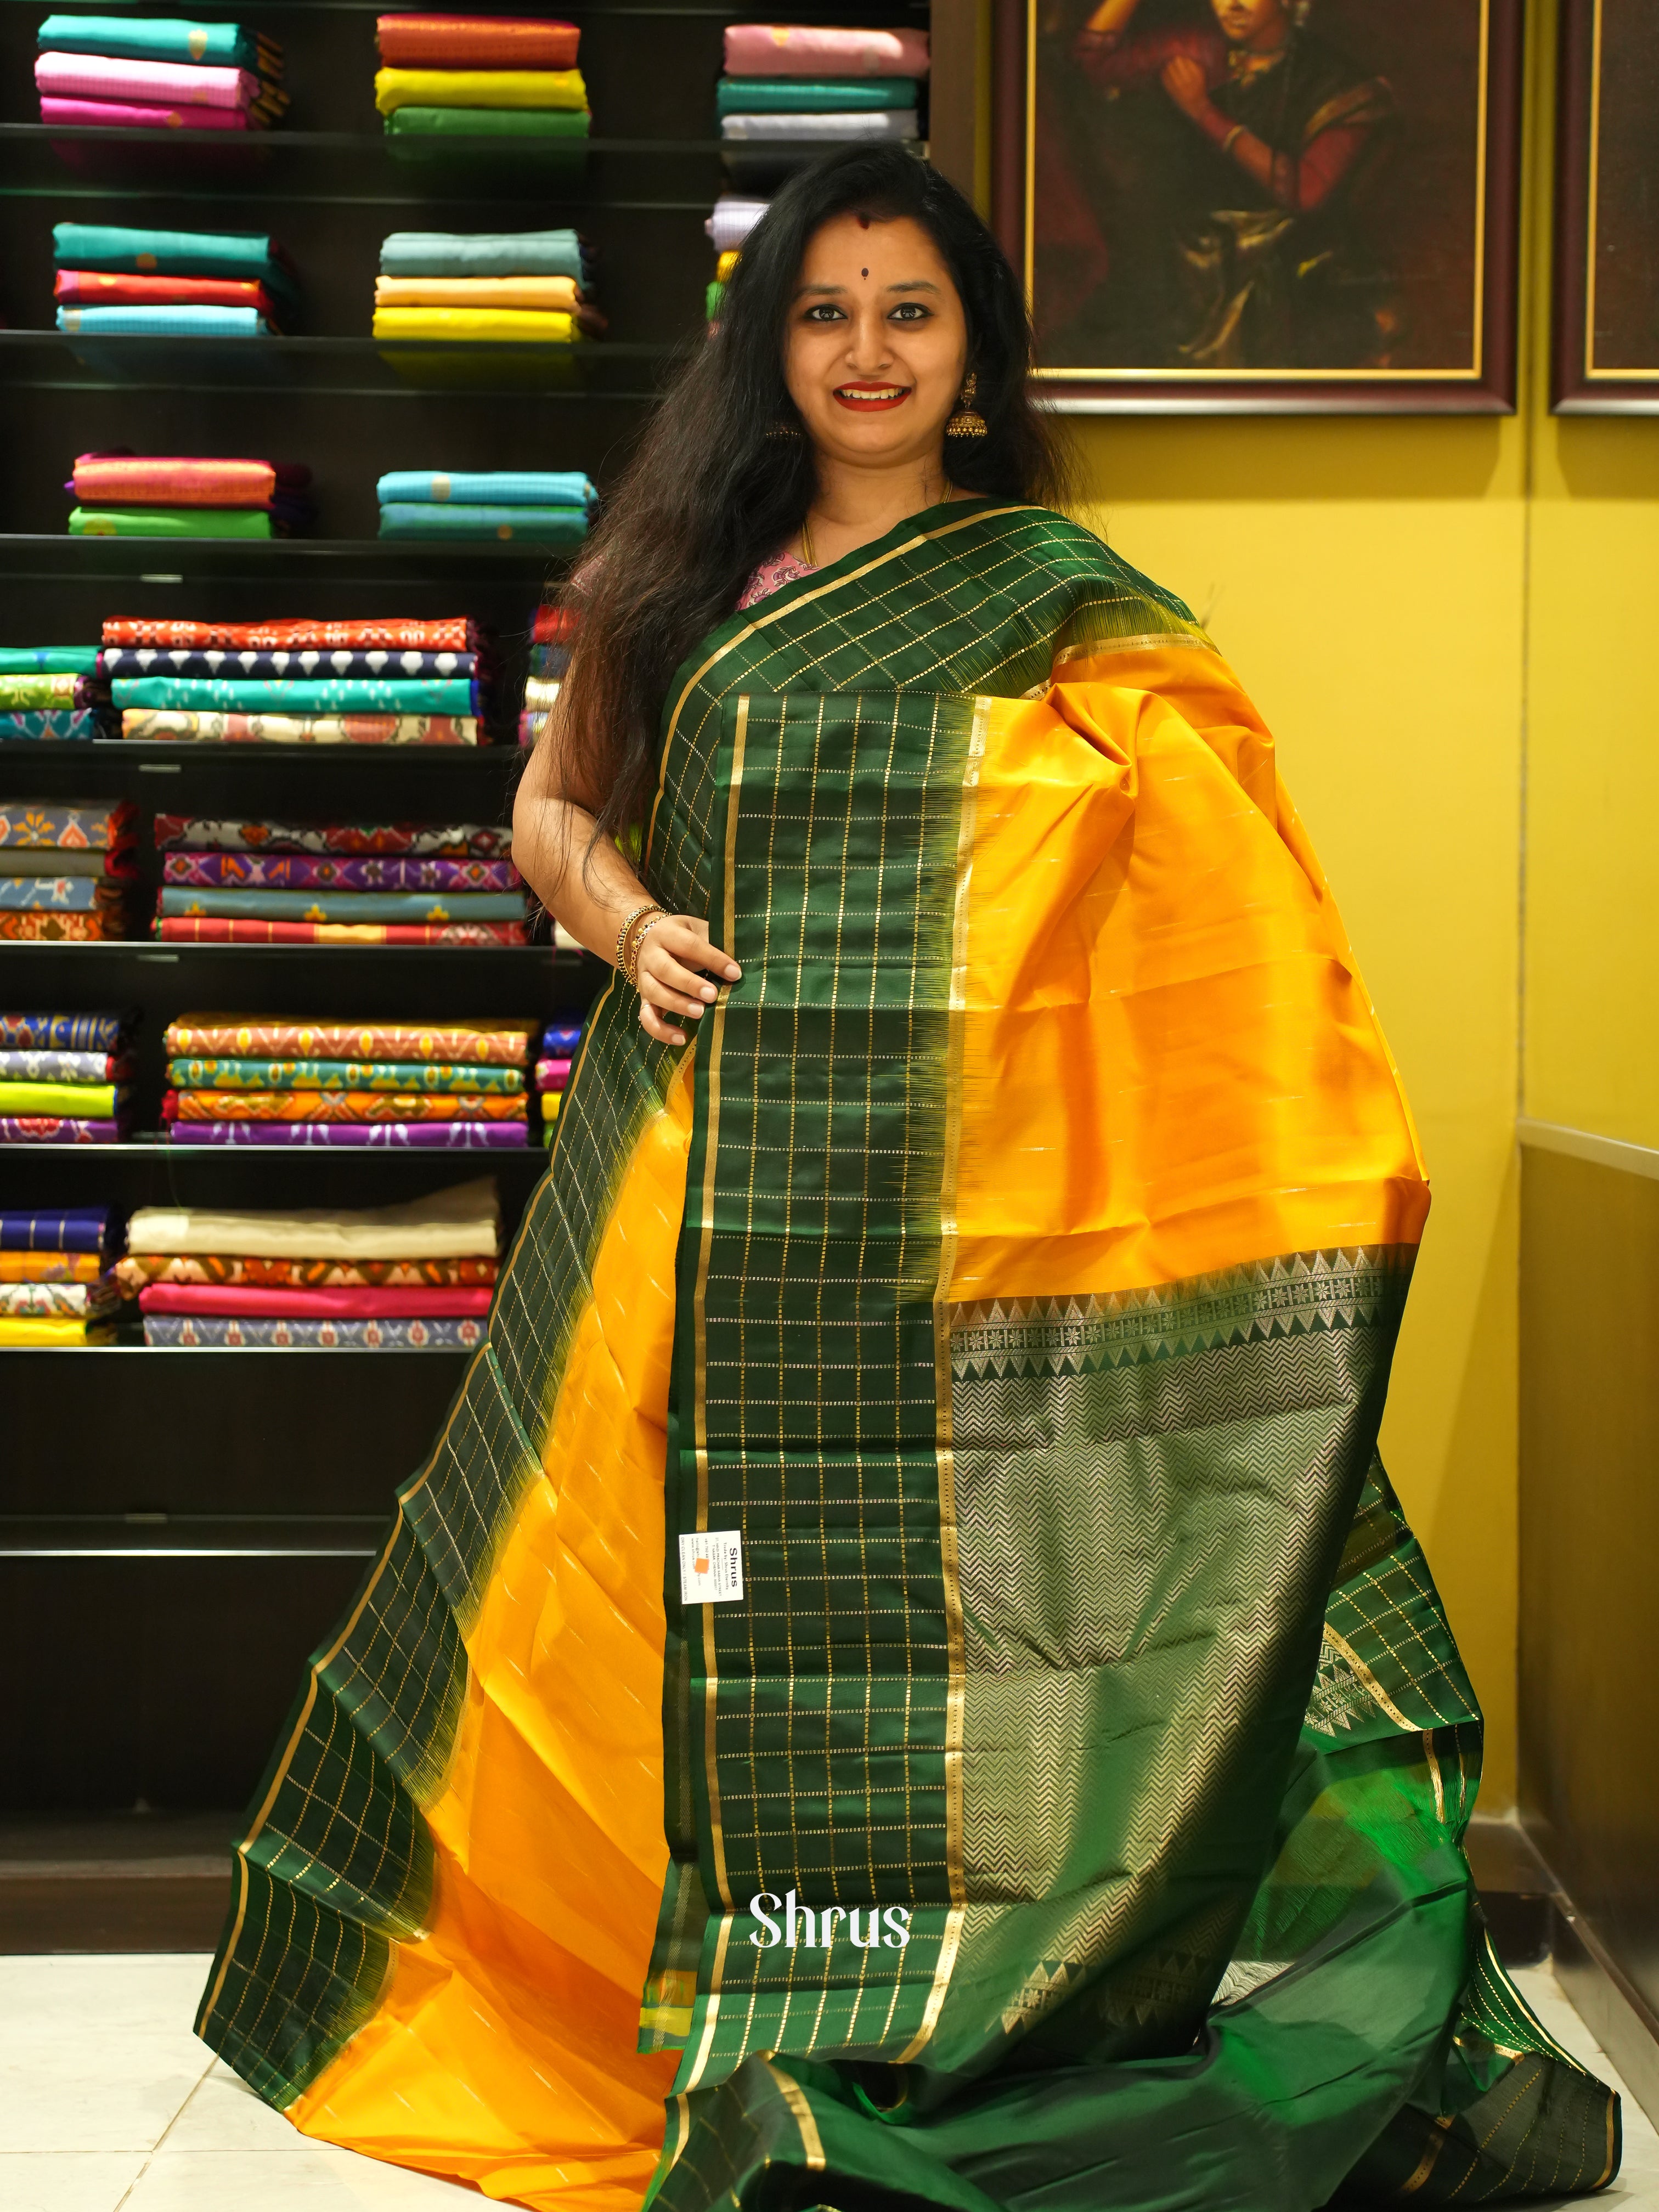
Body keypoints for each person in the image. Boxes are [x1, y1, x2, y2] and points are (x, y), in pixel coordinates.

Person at [193, 146, 1618, 2212]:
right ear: (768, 348)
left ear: (971, 356)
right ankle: (665, 1984)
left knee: (947, 1601)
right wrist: (617, 921)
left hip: (965, 1211)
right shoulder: (678, 573)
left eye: (909, 310)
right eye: (823, 309)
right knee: (653, 1582)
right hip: (698, 1187)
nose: (865, 349)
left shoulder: (1055, 598)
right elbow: (545, 805)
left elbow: (1195, 893)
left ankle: (962, 1984)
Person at [1045, 0, 1398, 368]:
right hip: (1184, 260)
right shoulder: (1200, 49)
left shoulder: (1339, 83)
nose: (1231, 4)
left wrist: (1202, 112)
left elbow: (1303, 191)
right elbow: (1090, 58)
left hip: (1279, 261)